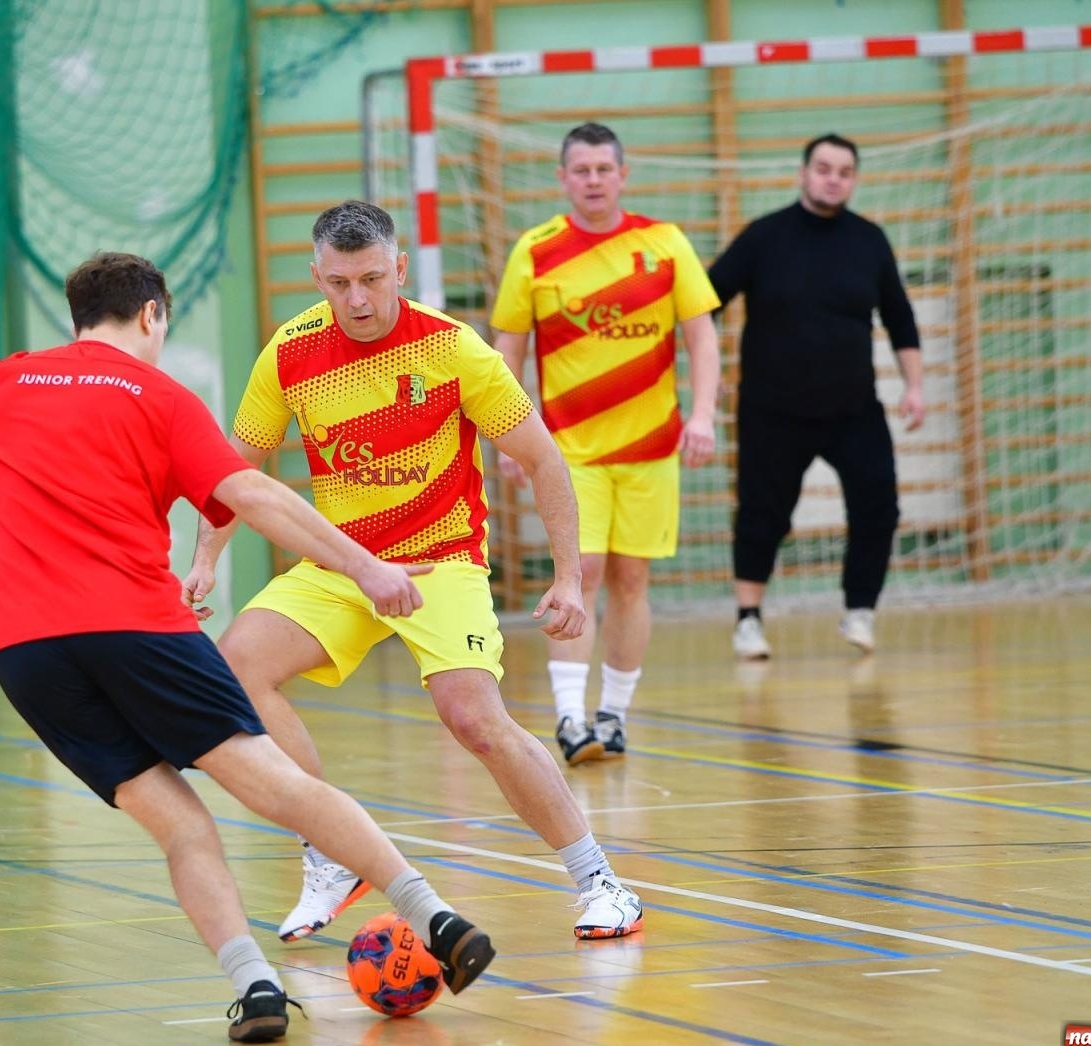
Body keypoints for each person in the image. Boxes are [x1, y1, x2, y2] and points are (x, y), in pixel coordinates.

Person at [0, 254, 494, 1045]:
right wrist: (366, 566)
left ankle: (255, 987)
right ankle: (434, 919)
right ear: (151, 317)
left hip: (27, 651)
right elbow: (256, 493)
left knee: (179, 826)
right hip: (136, 626)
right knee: (276, 784)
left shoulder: (5, 381)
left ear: (78, 317)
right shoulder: (160, 396)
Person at [185, 201, 646, 945]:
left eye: (371, 278)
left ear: (399, 268)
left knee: (474, 720)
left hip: (441, 559)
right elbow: (237, 471)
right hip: (342, 565)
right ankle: (331, 853)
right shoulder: (290, 353)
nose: (357, 300)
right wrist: (206, 558)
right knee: (235, 670)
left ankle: (601, 882)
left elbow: (541, 459)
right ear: (317, 278)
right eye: (339, 283)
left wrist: (568, 578)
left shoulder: (452, 349)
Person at [488, 122, 721, 765]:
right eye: (581, 170)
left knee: (631, 578)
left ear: (624, 174)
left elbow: (702, 336)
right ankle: (569, 720)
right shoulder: (535, 252)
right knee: (580, 572)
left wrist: (701, 415)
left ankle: (613, 716)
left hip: (651, 448)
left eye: (603, 169)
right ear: (563, 179)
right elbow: (509, 348)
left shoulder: (665, 243)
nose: (593, 180)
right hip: (569, 450)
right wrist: (509, 435)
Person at [706, 133, 925, 659]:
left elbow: (899, 318)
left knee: (880, 507)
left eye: (844, 171)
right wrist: (709, 375)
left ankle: (860, 612)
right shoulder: (764, 237)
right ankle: (748, 619)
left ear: (854, 179)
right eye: (823, 168)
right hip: (771, 409)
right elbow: (704, 302)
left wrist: (914, 385)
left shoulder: (870, 241)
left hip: (853, 408)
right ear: (803, 173)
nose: (833, 178)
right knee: (763, 513)